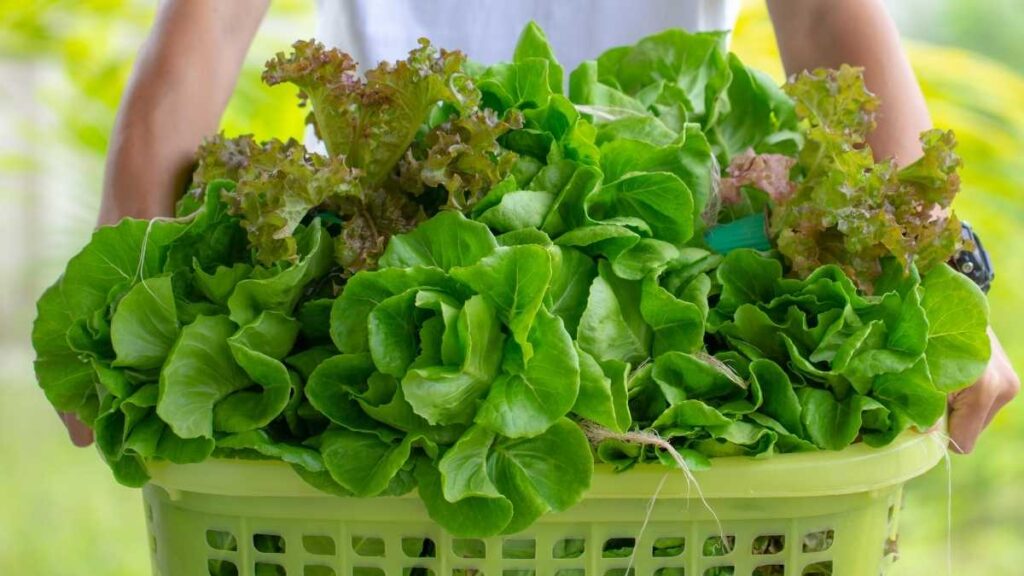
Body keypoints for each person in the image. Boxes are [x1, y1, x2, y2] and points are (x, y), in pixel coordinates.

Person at [65, 0, 1019, 453]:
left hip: (689, 244)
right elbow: (212, 19)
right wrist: (125, 291)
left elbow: (820, 11)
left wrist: (938, 267)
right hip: (400, 264)